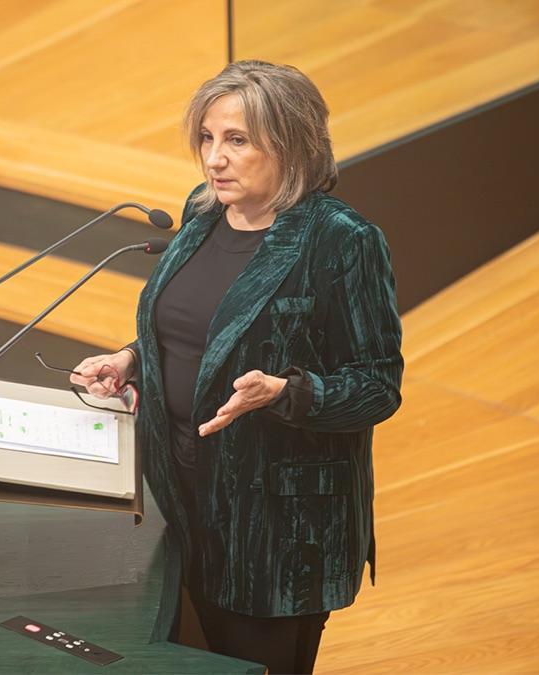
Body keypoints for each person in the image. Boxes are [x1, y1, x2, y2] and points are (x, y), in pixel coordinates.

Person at [70, 60, 404, 674]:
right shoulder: (201, 215)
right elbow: (198, 329)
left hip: (275, 534)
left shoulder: (343, 240)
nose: (213, 159)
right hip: (180, 506)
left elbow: (379, 386)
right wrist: (132, 359)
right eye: (206, 137)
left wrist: (286, 391)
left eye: (236, 140)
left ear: (293, 143)